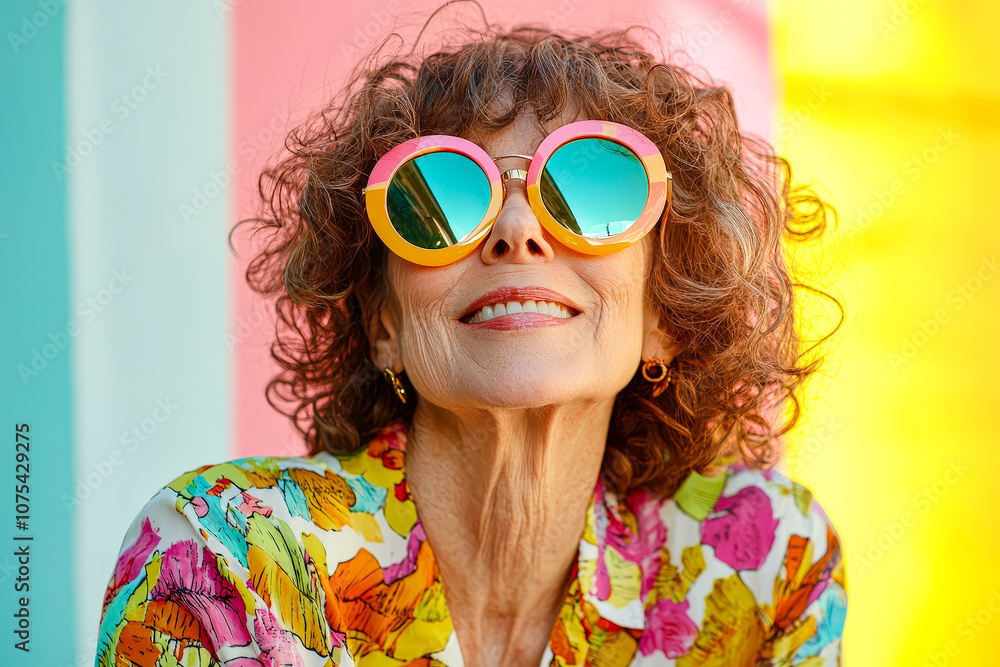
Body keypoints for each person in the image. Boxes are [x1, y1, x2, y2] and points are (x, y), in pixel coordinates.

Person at [94, 24, 847, 667]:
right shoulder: (221, 559)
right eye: (443, 199)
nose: (517, 231)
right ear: (382, 324)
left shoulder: (764, 565)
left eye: (590, 192)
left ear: (666, 315)